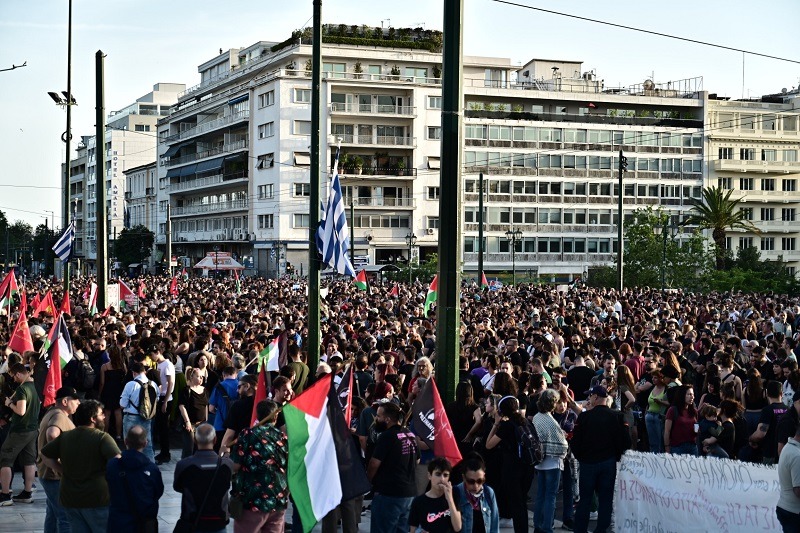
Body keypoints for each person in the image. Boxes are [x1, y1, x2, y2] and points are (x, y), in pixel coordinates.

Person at [41, 399, 122, 533]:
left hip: (71, 499)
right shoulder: (102, 437)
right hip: (97, 498)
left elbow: (45, 455)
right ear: (92, 419)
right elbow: (118, 461)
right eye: (101, 414)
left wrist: (62, 469)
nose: (104, 417)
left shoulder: (65, 437)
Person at [570, 385, 631, 533]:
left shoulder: (585, 417)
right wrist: (616, 455)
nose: (589, 399)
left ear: (596, 397)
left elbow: (575, 442)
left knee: (585, 499)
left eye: (590, 396)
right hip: (608, 462)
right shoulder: (617, 416)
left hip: (589, 463)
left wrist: (582, 457)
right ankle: (601, 529)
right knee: (605, 499)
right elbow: (626, 442)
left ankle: (580, 530)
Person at [230, 400, 288, 533]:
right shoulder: (283, 437)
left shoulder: (248, 434)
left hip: (252, 500)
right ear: (275, 416)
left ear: (257, 415)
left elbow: (235, 465)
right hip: (277, 500)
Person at [367, 402, 419, 533]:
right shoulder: (410, 434)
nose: (376, 419)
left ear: (387, 419)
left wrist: (368, 481)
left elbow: (374, 463)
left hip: (389, 494)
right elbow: (417, 460)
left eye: (378, 416)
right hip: (409, 494)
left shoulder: (387, 436)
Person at [173, 423, 234, 533]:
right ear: (215, 440)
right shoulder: (227, 464)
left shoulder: (184, 465)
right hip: (218, 523)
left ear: (195, 440)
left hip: (193, 521)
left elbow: (178, 487)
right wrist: (225, 455)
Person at [485, 396, 533, 533]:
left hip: (512, 469)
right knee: (522, 502)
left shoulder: (506, 426)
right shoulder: (526, 422)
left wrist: (495, 424)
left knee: (515, 504)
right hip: (527, 466)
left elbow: (489, 445)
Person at [105, 425, 164, 533]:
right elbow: (158, 492)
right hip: (143, 523)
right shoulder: (152, 469)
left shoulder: (112, 465)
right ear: (145, 443)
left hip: (118, 522)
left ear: (126, 441)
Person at [37, 386, 80, 532]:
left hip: (49, 473)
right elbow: (52, 433)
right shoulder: (59, 416)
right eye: (75, 400)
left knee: (52, 515)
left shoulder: (52, 412)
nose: (78, 403)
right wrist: (60, 458)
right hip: (54, 475)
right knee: (65, 517)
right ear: (65, 401)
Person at [0, 363, 41, 506]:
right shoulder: (35, 386)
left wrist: (9, 404)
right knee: (29, 461)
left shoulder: (22, 389)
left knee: (5, 459)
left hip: (20, 430)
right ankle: (27, 493)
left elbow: (21, 411)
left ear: (18, 374)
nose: (13, 379)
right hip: (32, 429)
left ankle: (5, 495)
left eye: (13, 376)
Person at [531, 389, 569, 533]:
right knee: (550, 496)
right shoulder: (550, 421)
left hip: (540, 462)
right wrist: (563, 437)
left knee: (541, 495)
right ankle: (547, 527)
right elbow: (562, 445)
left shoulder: (536, 417)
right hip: (553, 462)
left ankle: (537, 525)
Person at [408, 457, 462, 533]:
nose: (442, 479)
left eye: (445, 475)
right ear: (429, 475)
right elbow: (412, 530)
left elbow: (457, 527)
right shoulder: (419, 502)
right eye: (438, 474)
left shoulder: (454, 495)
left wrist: (450, 499)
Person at [119, 361, 158, 462]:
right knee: (148, 444)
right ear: (144, 371)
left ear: (134, 373)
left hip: (131, 417)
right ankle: (151, 466)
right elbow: (156, 399)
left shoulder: (130, 384)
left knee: (130, 444)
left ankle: (131, 465)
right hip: (147, 418)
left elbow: (122, 404)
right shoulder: (153, 384)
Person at [453, 453, 499, 533]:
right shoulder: (456, 493)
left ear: (484, 476)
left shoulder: (489, 492)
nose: (476, 486)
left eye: (480, 481)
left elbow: (494, 527)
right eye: (471, 481)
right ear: (463, 478)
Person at [750, 380, 788, 465]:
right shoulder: (788, 410)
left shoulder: (767, 410)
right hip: (785, 452)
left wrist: (750, 438)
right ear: (781, 393)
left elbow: (760, 434)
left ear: (767, 394)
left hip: (770, 453)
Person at [148, 344, 175, 465]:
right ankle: (163, 452)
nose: (151, 357)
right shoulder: (158, 364)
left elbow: (170, 383)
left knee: (164, 428)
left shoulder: (167, 364)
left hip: (166, 398)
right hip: (160, 397)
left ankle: (166, 454)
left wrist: (165, 401)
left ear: (158, 352)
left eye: (152, 354)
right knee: (160, 427)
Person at [178, 366, 210, 459]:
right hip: (190, 424)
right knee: (189, 449)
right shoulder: (186, 390)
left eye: (202, 377)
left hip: (202, 424)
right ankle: (185, 465)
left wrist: (206, 422)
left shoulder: (205, 390)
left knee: (199, 449)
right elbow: (182, 406)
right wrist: (187, 422)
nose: (201, 379)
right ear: (191, 377)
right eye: (198, 376)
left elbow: (206, 406)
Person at [776, 423, 800, 531]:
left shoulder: (788, 447)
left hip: (786, 508)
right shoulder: (797, 456)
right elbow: (798, 490)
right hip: (793, 513)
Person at [208, 365, 239, 448]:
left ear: (223, 375)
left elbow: (211, 408)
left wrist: (219, 411)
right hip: (237, 426)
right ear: (236, 374)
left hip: (220, 424)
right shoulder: (241, 386)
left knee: (220, 450)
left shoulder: (219, 386)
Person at [664, 385, 698, 456]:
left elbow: (696, 426)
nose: (692, 397)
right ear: (682, 395)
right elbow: (667, 431)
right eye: (689, 394)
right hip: (678, 447)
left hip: (692, 446)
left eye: (693, 394)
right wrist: (667, 448)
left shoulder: (694, 411)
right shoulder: (673, 410)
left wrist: (697, 430)